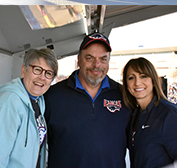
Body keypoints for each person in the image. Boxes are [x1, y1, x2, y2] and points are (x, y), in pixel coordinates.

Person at [43, 33, 129, 167]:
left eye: (103, 59)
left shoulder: (124, 96)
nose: (97, 65)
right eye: (90, 58)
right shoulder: (52, 96)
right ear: (79, 60)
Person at [0, 48, 55, 168]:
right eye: (37, 70)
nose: (42, 77)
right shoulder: (8, 104)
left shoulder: (37, 101)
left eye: (48, 73)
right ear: (24, 70)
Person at [123, 57, 177, 167]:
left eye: (143, 76)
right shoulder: (135, 116)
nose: (137, 82)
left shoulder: (171, 114)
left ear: (153, 81)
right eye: (131, 78)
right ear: (126, 84)